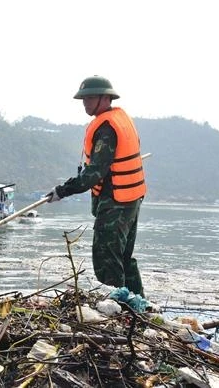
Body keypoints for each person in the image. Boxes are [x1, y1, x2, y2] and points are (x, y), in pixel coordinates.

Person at [46, 76, 147, 297]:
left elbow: (94, 173)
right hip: (131, 198)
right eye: (84, 98)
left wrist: (62, 191)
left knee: (106, 258)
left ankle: (117, 308)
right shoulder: (120, 119)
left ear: (105, 98)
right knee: (124, 257)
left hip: (117, 201)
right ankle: (140, 305)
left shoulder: (107, 127)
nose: (85, 103)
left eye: (90, 98)